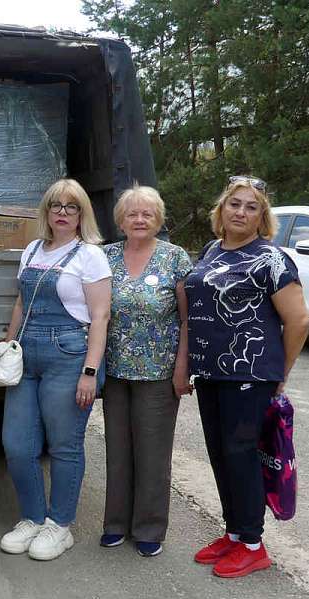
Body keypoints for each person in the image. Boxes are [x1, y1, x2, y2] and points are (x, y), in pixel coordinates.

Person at [184, 175, 309, 578]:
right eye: (234, 204)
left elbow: (299, 320)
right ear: (222, 210)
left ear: (262, 217)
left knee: (241, 455)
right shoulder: (210, 250)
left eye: (251, 207)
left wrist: (280, 373)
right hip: (211, 373)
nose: (241, 212)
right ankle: (235, 533)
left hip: (250, 375)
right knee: (220, 454)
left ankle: (254, 544)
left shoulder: (271, 259)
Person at [0, 178, 112, 561]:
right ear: (46, 211)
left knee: (64, 445)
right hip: (26, 355)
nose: (63, 213)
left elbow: (100, 316)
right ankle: (31, 518)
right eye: (57, 206)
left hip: (69, 354)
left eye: (72, 207)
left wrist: (90, 372)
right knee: (16, 444)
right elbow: (20, 303)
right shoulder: (32, 249)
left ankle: (59, 525)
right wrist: (8, 347)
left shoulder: (90, 256)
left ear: (82, 214)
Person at [100, 185, 193, 558]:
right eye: (132, 213)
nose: (139, 219)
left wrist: (182, 368)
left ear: (159, 219)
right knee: (118, 450)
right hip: (116, 371)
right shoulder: (103, 257)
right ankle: (115, 523)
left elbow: (188, 320)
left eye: (147, 213)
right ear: (121, 220)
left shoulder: (175, 258)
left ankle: (150, 527)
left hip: (159, 372)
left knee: (153, 453)